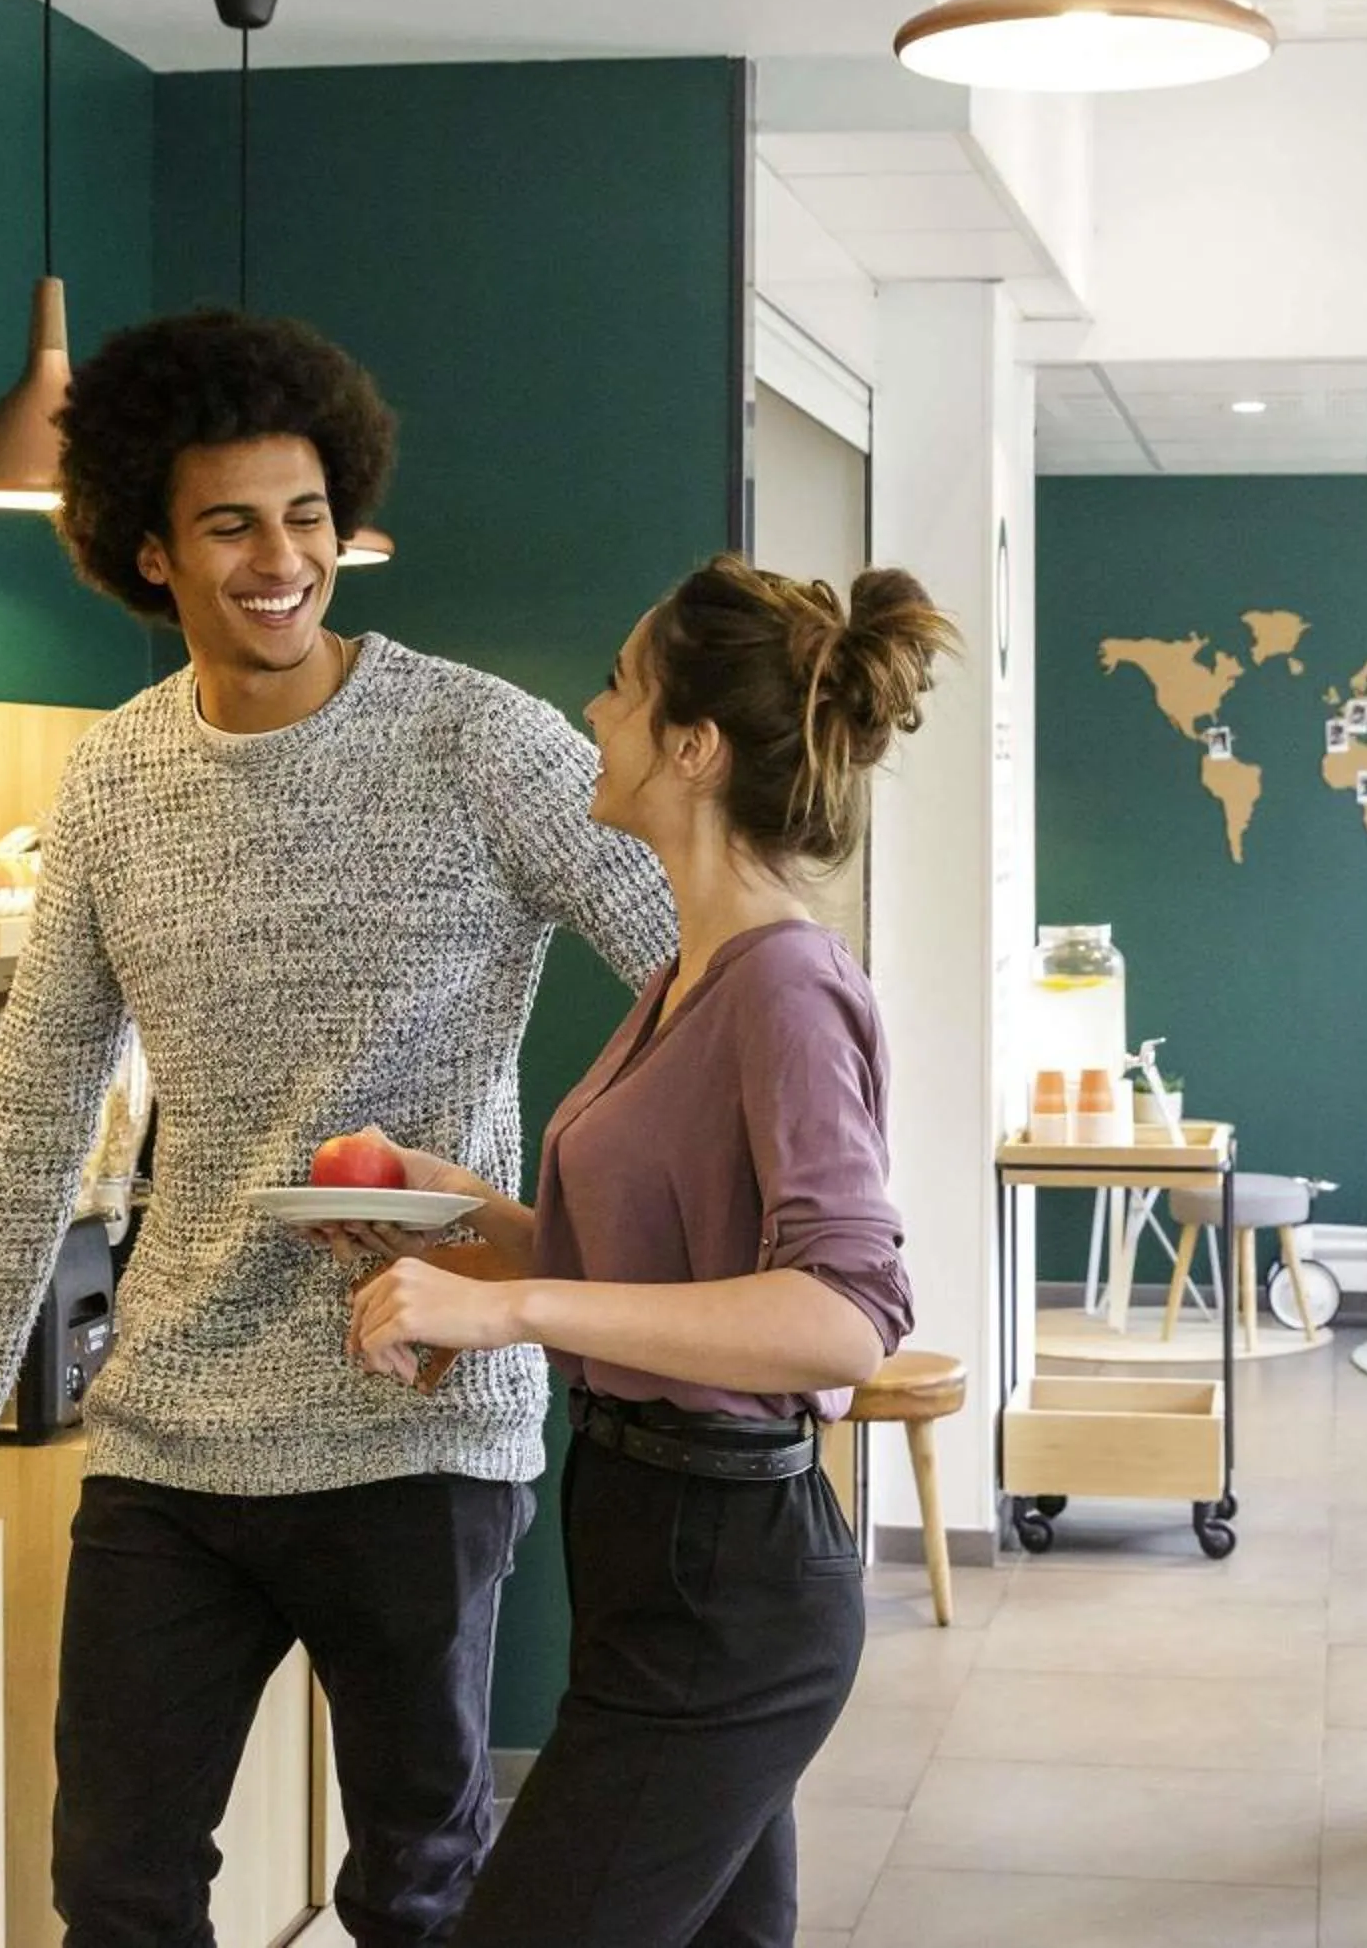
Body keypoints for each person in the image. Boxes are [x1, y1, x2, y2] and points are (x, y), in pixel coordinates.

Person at [0, 309, 676, 1948]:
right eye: (230, 522)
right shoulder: (112, 780)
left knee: (418, 1888)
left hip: (416, 1413)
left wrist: (561, 1247)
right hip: (172, 1421)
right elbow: (33, 1102)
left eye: (306, 515)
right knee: (117, 1881)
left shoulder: (479, 740)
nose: (281, 558)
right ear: (147, 552)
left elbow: (705, 968)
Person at [344, 555, 953, 1948]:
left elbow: (846, 1312)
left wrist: (513, 1309)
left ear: (692, 744)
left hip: (729, 1578)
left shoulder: (787, 984)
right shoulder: (688, 971)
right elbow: (663, 1275)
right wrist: (473, 1227)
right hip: (651, 1546)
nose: (593, 709)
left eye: (621, 685)